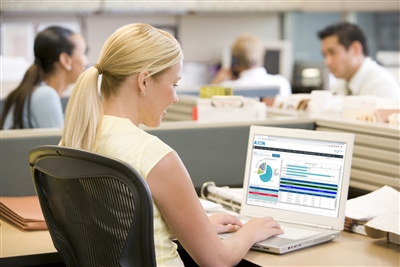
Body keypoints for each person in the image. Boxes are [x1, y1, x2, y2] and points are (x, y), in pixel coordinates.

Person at [60, 23, 283, 266]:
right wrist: (252, 230)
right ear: (144, 81)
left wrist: (194, 228)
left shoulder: (76, 139)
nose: (175, 98)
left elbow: (115, 229)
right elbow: (217, 260)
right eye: (174, 84)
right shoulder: (154, 156)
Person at [0, 26, 88, 130]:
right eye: (83, 53)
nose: (86, 62)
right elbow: (61, 144)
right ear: (65, 60)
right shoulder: (45, 95)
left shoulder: (39, 91)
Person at [318, 22, 399, 98]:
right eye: (324, 55)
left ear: (355, 49)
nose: (327, 62)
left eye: (333, 52)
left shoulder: (381, 86)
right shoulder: (340, 84)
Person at [211, 33, 292, 96]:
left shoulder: (226, 88)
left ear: (235, 61)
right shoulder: (281, 83)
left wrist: (215, 83)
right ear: (262, 55)